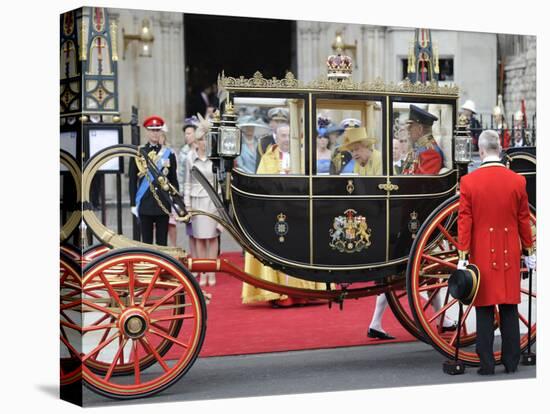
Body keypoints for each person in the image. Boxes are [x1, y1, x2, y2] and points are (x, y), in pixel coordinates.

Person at [457, 129, 535, 375]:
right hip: (510, 250)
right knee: (509, 307)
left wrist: (462, 256)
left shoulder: (469, 182)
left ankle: (487, 364)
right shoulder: (517, 181)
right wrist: (529, 250)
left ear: (480, 151)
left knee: (484, 308)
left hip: (482, 251)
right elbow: (524, 220)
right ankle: (511, 363)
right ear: (499, 150)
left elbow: (464, 222)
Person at [242, 123, 325, 306]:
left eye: (289, 135)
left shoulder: (303, 155)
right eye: (283, 136)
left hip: (299, 210)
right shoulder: (268, 157)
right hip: (275, 211)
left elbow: (313, 181)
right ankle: (278, 292)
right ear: (276, 137)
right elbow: (261, 185)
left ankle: (305, 291)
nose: (286, 139)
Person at [129, 115, 179, 246]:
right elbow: (132, 180)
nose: (155, 133)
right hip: (145, 202)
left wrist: (176, 201)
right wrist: (133, 204)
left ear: (161, 132)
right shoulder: (139, 153)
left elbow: (173, 179)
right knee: (146, 242)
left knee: (162, 243)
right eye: (152, 130)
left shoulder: (169, 153)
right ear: (147, 131)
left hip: (163, 202)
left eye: (158, 130)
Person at [184, 114, 221, 287]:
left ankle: (212, 271)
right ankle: (203, 272)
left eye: (206, 139)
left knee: (212, 237)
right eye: (200, 140)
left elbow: (219, 185)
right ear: (196, 142)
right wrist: (187, 207)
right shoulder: (190, 158)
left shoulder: (215, 159)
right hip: (196, 201)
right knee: (199, 238)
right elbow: (187, 183)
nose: (203, 143)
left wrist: (221, 208)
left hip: (211, 201)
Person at [401, 104, 444, 175]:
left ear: (420, 129)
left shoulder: (430, 153)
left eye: (410, 127)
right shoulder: (419, 147)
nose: (408, 130)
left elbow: (422, 183)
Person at [178, 120, 198, 258]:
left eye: (190, 133)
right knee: (191, 230)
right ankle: (195, 258)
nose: (187, 136)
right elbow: (180, 174)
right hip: (188, 192)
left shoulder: (202, 149)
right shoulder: (183, 153)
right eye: (186, 133)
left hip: (202, 194)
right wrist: (181, 193)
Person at [158, 130, 178, 246]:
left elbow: (173, 174)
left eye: (161, 137)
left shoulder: (169, 152)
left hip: (167, 191)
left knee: (171, 223)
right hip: (155, 193)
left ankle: (174, 245)